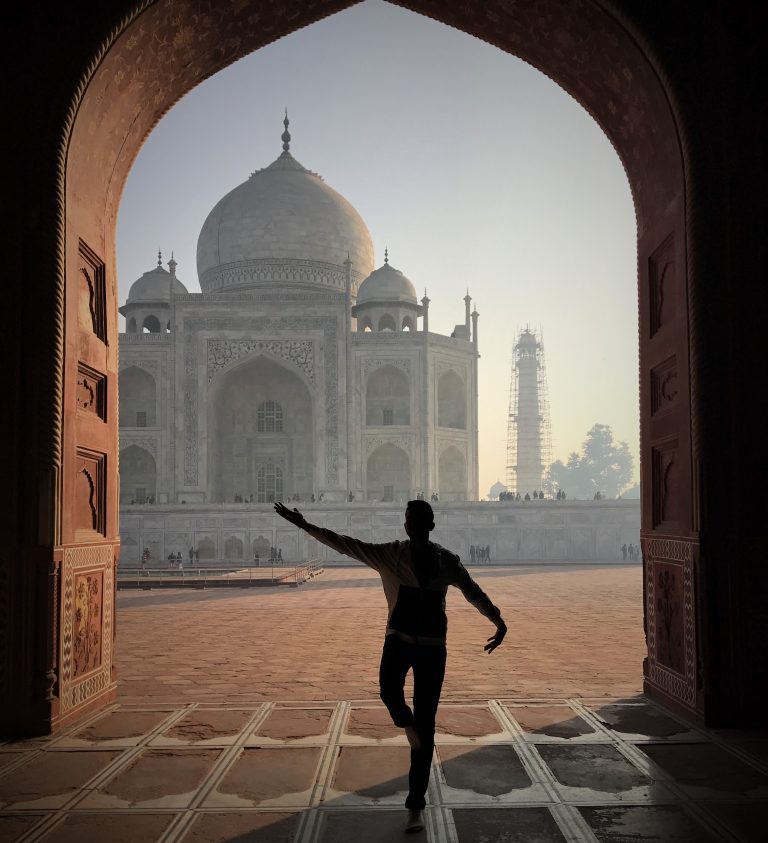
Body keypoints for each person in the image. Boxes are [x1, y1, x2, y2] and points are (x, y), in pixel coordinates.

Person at [274, 499, 507, 834]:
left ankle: (415, 807)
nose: (413, 525)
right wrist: (304, 525)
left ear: (430, 525)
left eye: (418, 520)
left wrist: (497, 620)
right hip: (398, 640)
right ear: (406, 525)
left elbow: (474, 593)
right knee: (389, 692)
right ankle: (408, 726)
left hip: (431, 648)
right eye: (410, 519)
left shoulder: (446, 561)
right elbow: (345, 544)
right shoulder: (391, 554)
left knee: (426, 729)